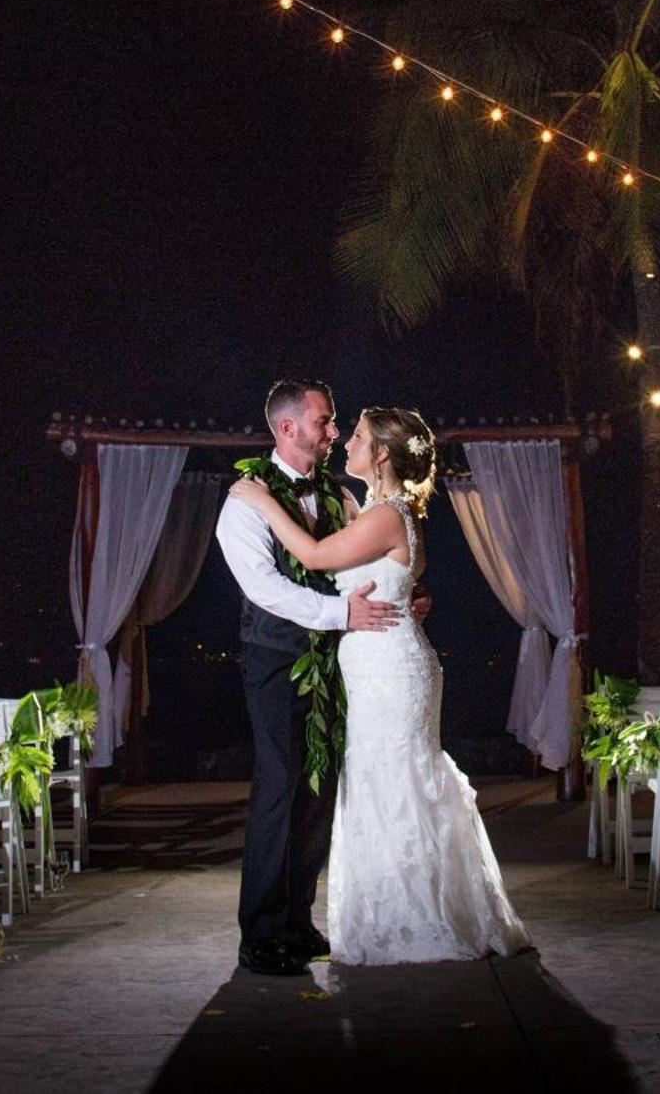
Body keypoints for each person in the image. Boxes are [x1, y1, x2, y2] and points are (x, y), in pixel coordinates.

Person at [231, 406, 531, 965]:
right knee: (381, 781)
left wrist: (266, 504)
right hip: (371, 665)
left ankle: (411, 919)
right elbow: (370, 575)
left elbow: (319, 556)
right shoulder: (364, 507)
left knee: (390, 780)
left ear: (382, 455)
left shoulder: (383, 513)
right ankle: (392, 913)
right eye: (336, 426)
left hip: (386, 671)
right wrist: (406, 596)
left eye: (359, 435)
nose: (344, 439)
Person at [214, 379, 417, 977]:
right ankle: (261, 933)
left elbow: (354, 566)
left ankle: (297, 921)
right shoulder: (245, 501)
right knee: (280, 784)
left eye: (334, 425)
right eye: (324, 422)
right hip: (275, 659)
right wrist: (340, 614)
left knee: (319, 786)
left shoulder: (336, 495)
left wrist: (398, 597)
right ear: (287, 429)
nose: (332, 432)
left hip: (335, 660)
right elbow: (265, 588)